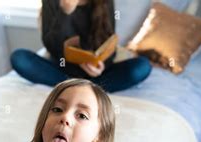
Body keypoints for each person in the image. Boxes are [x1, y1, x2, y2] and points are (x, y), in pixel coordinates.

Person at [10, 0, 151, 93]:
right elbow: (51, 44)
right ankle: (85, 87)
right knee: (19, 58)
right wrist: (65, 12)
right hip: (62, 68)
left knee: (142, 67)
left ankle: (75, 87)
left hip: (98, 72)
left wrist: (100, 64)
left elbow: (108, 42)